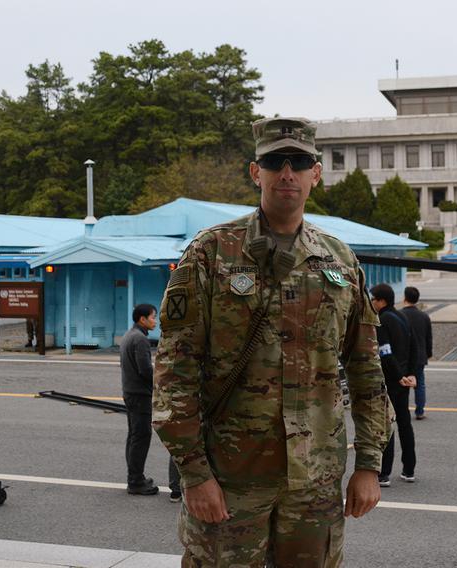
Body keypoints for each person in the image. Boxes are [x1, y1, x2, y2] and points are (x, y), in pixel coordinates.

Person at [152, 116, 392, 567]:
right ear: (255, 171)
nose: (287, 173)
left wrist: (369, 463)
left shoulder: (339, 260)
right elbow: (174, 371)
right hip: (231, 478)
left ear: (315, 173)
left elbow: (366, 368)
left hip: (316, 482)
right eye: (274, 161)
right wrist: (195, 473)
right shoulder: (211, 252)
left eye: (299, 162)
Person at [120, 303, 181, 500]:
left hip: (130, 392)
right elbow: (145, 370)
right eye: (153, 317)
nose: (155, 320)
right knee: (141, 437)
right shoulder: (140, 340)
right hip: (140, 395)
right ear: (142, 319)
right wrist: (162, 384)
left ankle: (135, 478)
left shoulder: (130, 335)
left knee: (134, 436)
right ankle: (136, 481)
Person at [371, 284, 417, 486]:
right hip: (405, 380)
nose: (371, 302)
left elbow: (385, 352)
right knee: (405, 424)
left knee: (387, 424)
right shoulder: (403, 317)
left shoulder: (382, 320)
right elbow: (414, 347)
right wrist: (411, 374)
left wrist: (398, 376)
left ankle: (384, 473)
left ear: (381, 301)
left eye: (373, 299)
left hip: (391, 380)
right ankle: (409, 469)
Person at [401, 286, 432, 420]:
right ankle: (420, 411)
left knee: (403, 385)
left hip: (403, 356)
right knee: (419, 384)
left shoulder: (399, 315)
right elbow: (428, 337)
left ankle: (402, 410)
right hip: (420, 356)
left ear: (404, 298)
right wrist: (428, 353)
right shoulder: (424, 316)